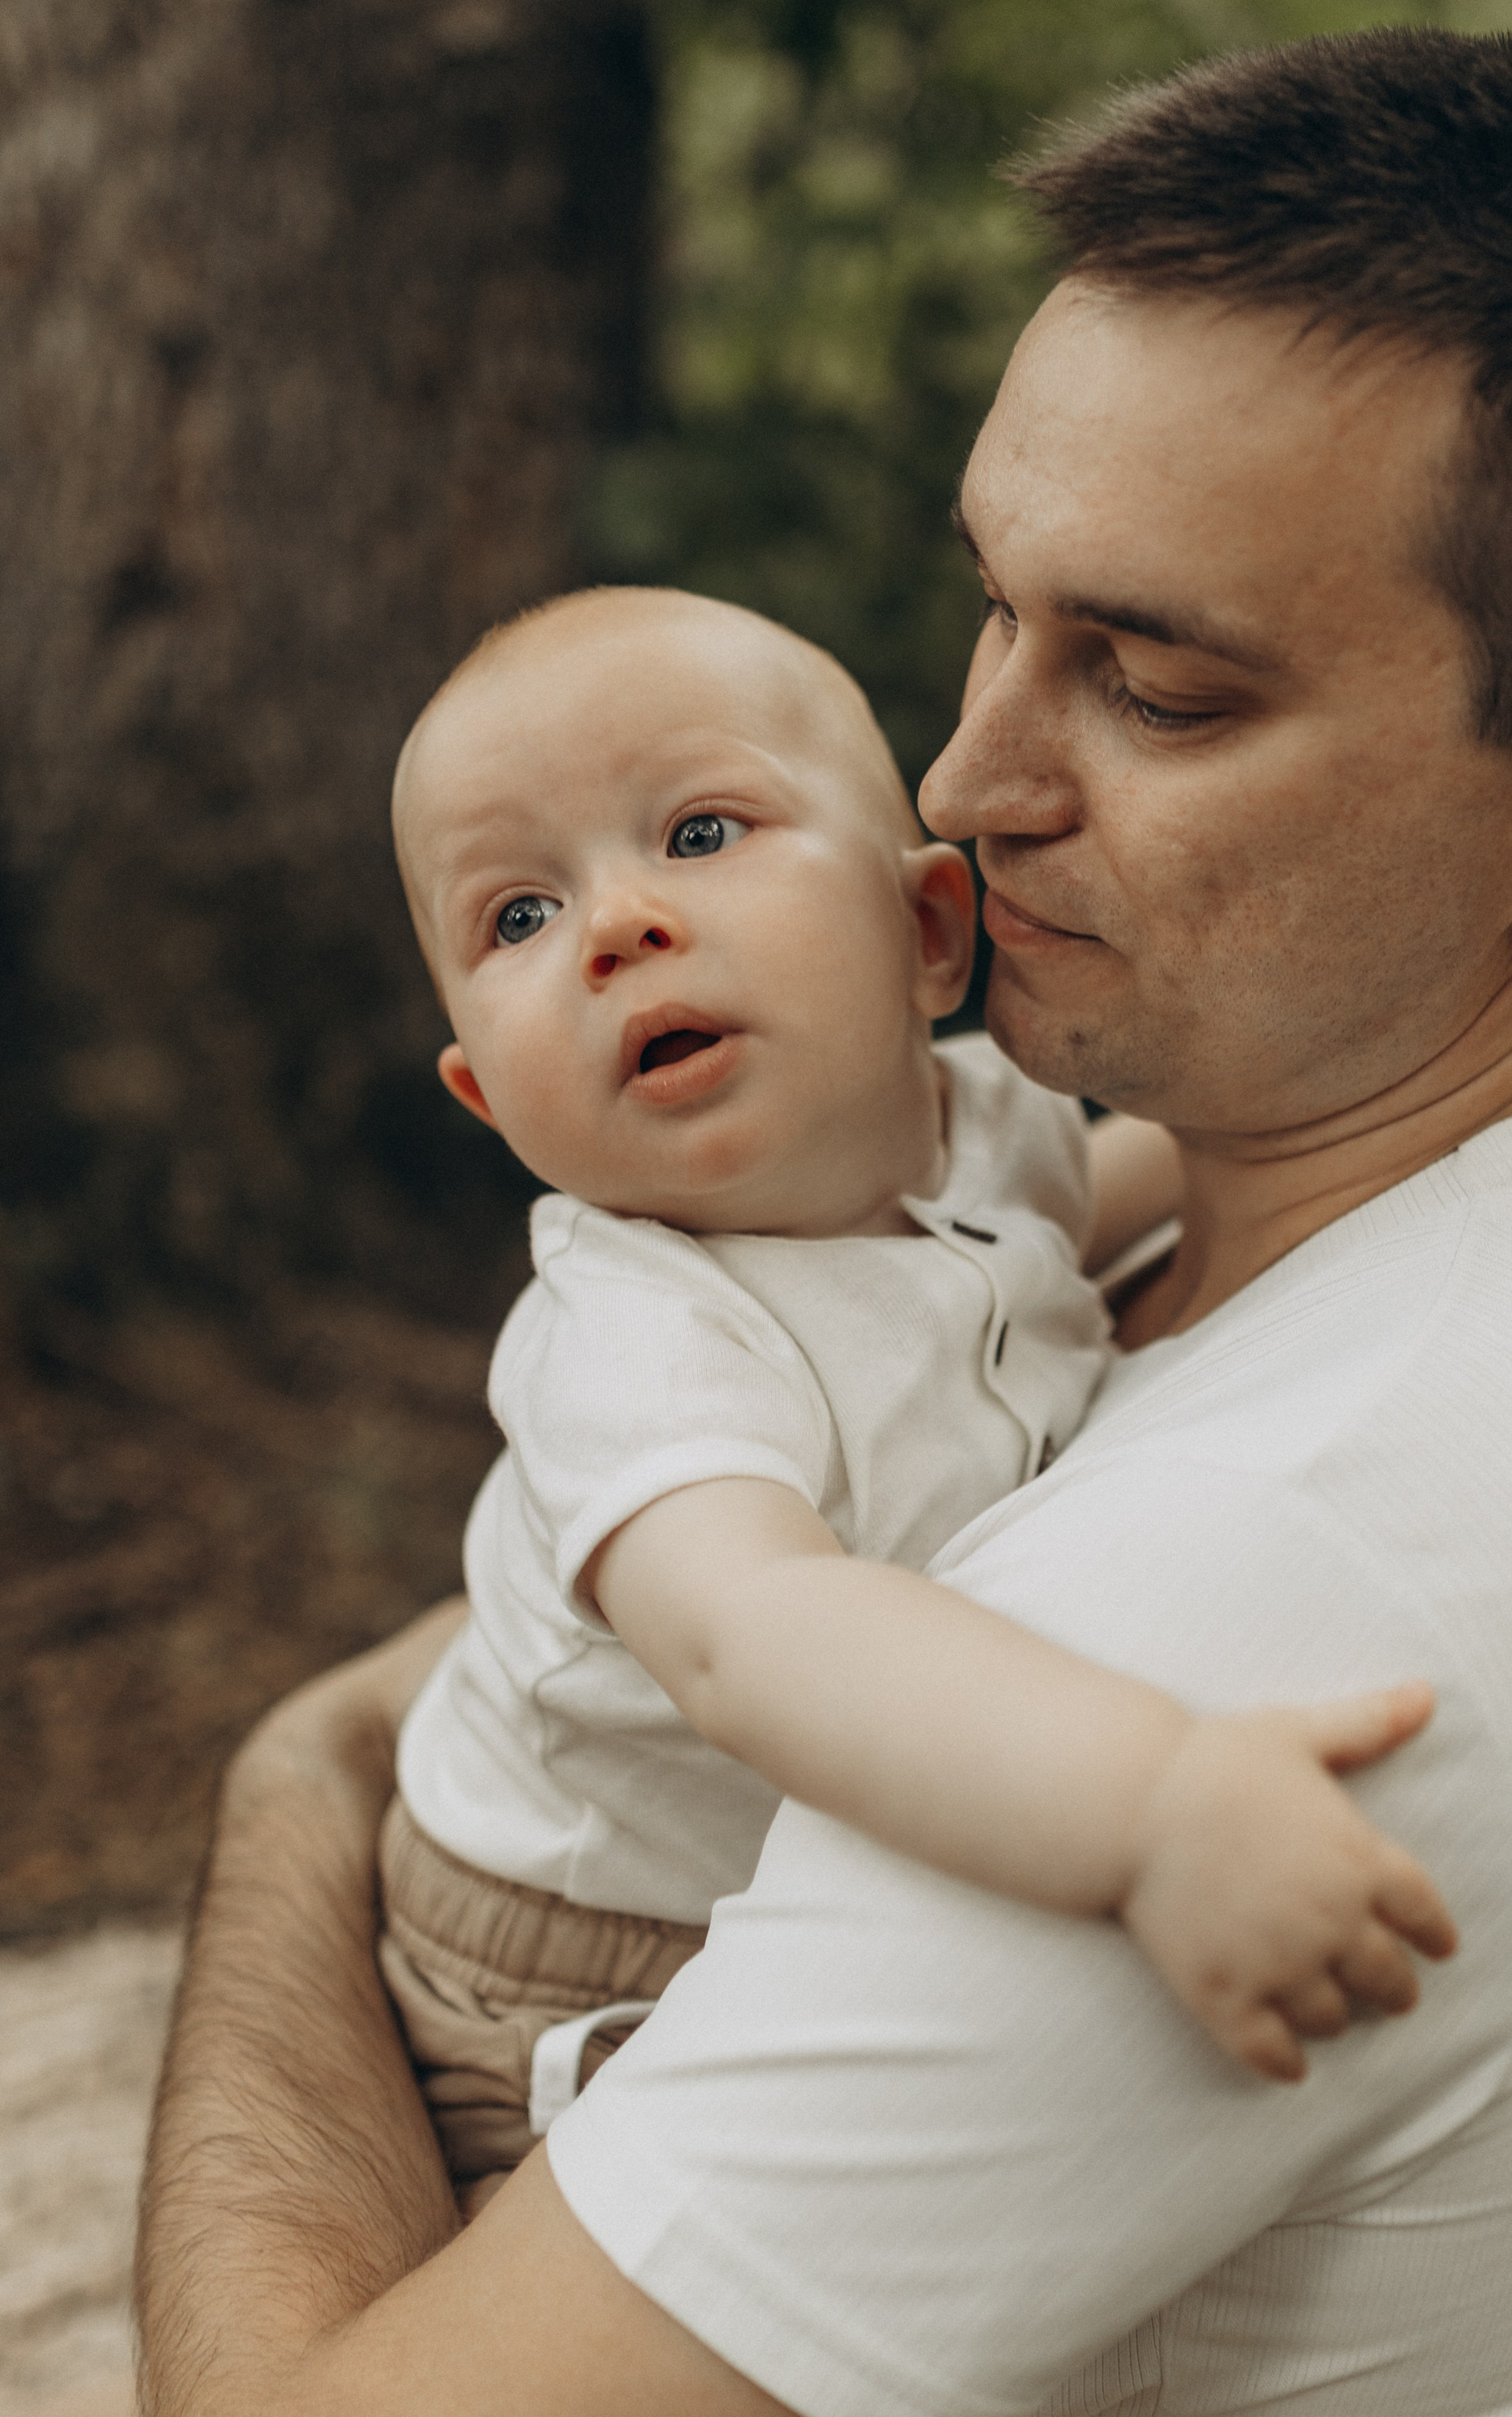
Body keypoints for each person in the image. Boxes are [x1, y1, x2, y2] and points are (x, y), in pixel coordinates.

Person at [0, 21, 1512, 2417]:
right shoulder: (1421, 1239)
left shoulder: (1260, 1605)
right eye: (995, 607)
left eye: (1166, 686)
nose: (972, 784)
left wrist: (300, 1797)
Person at [381, 580, 1452, 2197]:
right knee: (701, 2344)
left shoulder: (984, 1131)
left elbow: (1121, 1184)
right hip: (580, 1957)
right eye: (515, 918)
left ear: (926, 933)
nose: (612, 925)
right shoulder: (636, 1340)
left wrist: (1382, 1082)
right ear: (482, 1097)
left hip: (777, 1860)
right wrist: (1148, 1803)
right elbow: (758, 1637)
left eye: (696, 833)